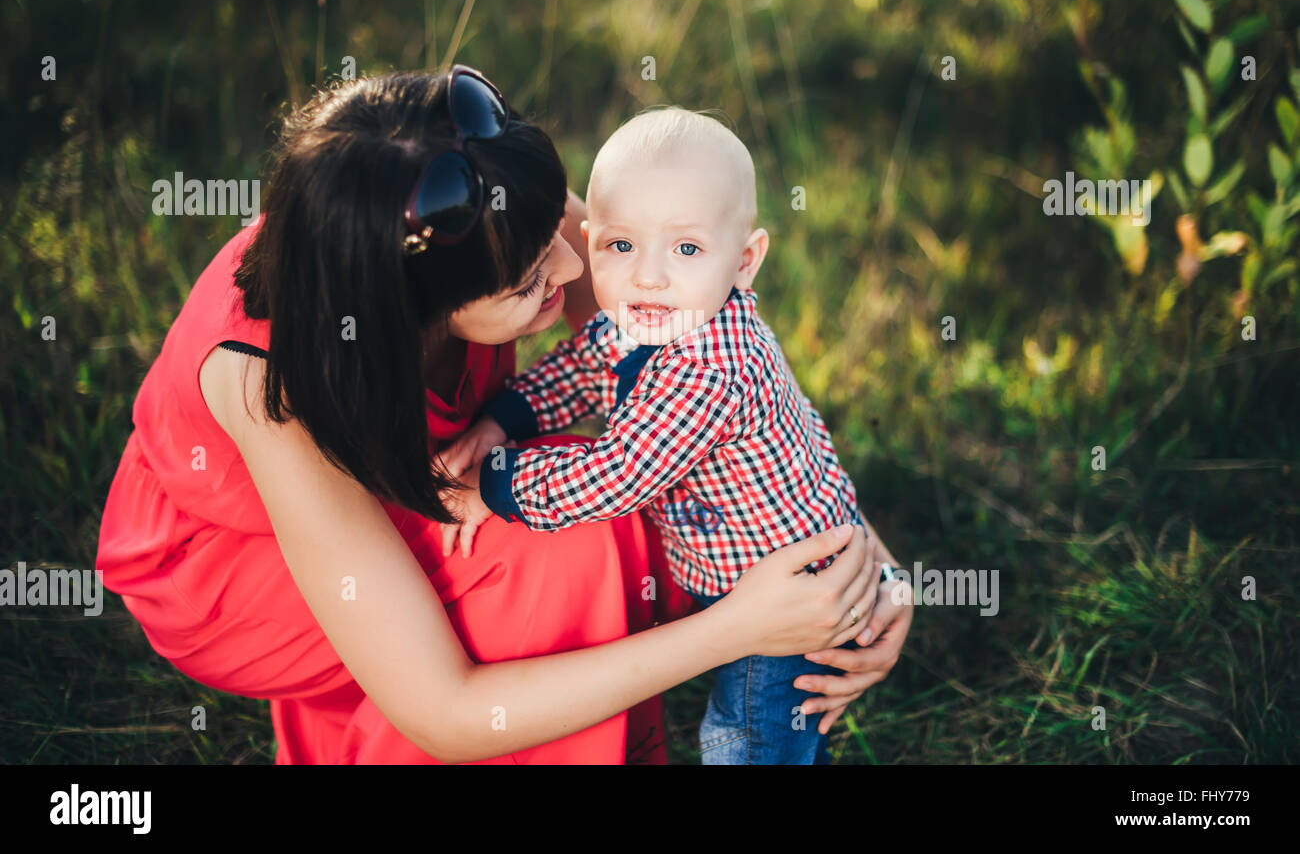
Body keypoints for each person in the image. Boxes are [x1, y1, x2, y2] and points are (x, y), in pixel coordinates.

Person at [96, 66, 913, 764]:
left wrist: (844, 552)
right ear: (407, 311)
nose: (572, 257)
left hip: (421, 476)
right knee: (566, 543)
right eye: (530, 281)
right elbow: (445, 708)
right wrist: (739, 628)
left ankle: (459, 650)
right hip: (242, 561)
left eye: (569, 231)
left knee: (605, 507)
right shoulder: (270, 390)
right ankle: (369, 711)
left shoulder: (465, 181)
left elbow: (716, 371)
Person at [438, 106, 899, 764]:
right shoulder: (649, 316)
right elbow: (581, 366)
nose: (648, 275)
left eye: (686, 248)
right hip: (735, 566)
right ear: (590, 239)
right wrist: (504, 418)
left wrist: (498, 483)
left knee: (744, 736)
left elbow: (616, 474)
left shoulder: (709, 367)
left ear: (745, 261)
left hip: (793, 592)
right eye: (621, 246)